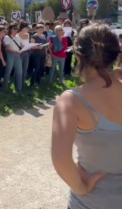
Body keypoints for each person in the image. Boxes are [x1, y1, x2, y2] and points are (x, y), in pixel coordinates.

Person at [52, 23, 122, 209]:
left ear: (78, 56)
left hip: (91, 202)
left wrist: (81, 187)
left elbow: (61, 160)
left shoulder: (70, 102)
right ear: (115, 54)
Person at [4, 23, 23, 93]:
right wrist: (16, 52)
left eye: (17, 29)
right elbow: (8, 48)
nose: (16, 30)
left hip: (18, 55)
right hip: (10, 55)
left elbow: (22, 45)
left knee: (19, 72)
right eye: (14, 28)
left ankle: (19, 87)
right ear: (10, 29)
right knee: (8, 71)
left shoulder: (18, 37)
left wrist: (28, 47)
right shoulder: (7, 37)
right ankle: (5, 86)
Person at [16, 22, 30, 87]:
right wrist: (25, 47)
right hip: (20, 53)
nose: (27, 29)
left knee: (25, 68)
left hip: (26, 53)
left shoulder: (28, 35)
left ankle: (23, 82)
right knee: (19, 70)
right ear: (22, 28)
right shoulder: (17, 35)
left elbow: (28, 43)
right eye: (26, 27)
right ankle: (17, 83)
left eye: (27, 27)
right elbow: (20, 45)